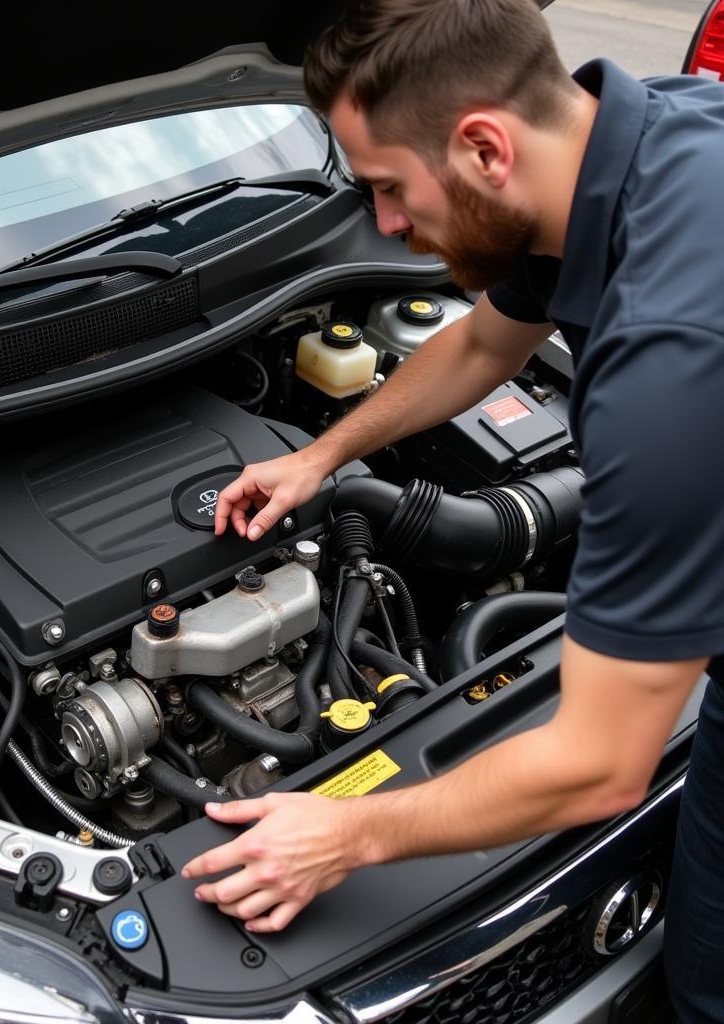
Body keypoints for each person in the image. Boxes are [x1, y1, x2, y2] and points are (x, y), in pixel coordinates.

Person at [179, 1, 724, 1019]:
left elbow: (602, 764)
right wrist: (323, 456)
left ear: (481, 145)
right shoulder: (656, 129)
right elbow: (482, 344)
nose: (384, 227)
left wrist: (342, 831)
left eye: (387, 189)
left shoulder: (670, 363)